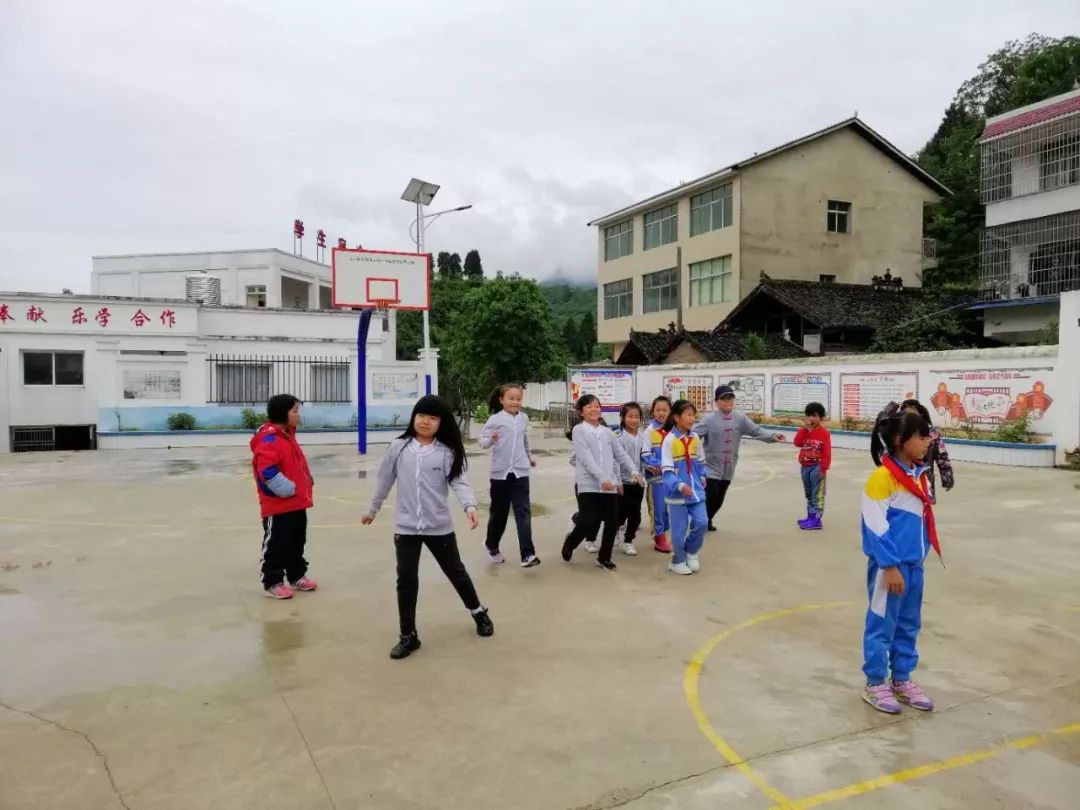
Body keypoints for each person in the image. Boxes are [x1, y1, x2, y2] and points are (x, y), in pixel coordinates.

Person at [363, 395, 494, 660]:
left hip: (439, 526)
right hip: (407, 527)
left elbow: (459, 482)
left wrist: (469, 507)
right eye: (422, 416)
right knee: (406, 581)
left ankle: (478, 612)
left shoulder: (447, 452)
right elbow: (384, 480)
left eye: (433, 418)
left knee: (456, 573)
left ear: (441, 423)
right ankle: (408, 636)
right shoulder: (398, 447)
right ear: (414, 417)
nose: (426, 422)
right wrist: (372, 509)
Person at [861, 410, 941, 714]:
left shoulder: (919, 475)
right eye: (921, 436)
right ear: (899, 440)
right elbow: (873, 525)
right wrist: (891, 565)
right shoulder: (882, 478)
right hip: (889, 568)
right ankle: (875, 681)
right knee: (882, 624)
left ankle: (902, 678)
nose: (927, 441)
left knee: (909, 624)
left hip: (913, 566)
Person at [562, 394, 642, 571]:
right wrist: (601, 478)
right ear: (581, 411)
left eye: (597, 405)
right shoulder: (579, 430)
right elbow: (585, 458)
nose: (594, 409)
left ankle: (604, 557)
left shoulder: (607, 432)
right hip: (588, 484)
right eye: (589, 406)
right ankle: (571, 542)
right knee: (588, 521)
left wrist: (634, 471)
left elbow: (620, 454)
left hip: (609, 485)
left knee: (612, 521)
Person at [251, 394, 316, 600]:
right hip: (278, 505)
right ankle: (272, 581)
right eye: (294, 411)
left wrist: (307, 479)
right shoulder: (269, 439)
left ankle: (296, 575)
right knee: (276, 543)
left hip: (297, 502)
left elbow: (294, 463)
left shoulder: (288, 435)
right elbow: (267, 471)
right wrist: (286, 488)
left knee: (297, 541)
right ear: (282, 414)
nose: (298, 415)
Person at [696, 385, 786, 531]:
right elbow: (694, 436)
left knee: (719, 500)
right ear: (716, 402)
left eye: (730, 398)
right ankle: (700, 521)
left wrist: (773, 436)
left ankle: (706, 520)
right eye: (724, 399)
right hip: (711, 465)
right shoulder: (709, 419)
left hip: (729, 466)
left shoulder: (740, 418)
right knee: (711, 495)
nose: (728, 402)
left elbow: (755, 431)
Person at [479, 384, 540, 567]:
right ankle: (491, 544)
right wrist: (492, 439)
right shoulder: (495, 420)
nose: (515, 402)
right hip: (500, 474)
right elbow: (482, 442)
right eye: (511, 398)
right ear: (501, 400)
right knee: (500, 514)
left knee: (523, 513)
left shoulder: (524, 419)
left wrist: (529, 457)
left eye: (518, 399)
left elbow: (523, 440)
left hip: (520, 472)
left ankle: (527, 555)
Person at [661, 400, 708, 575]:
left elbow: (701, 461)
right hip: (677, 493)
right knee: (678, 531)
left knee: (702, 522)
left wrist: (702, 475)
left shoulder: (695, 438)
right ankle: (677, 560)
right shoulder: (670, 440)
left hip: (696, 491)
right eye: (688, 415)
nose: (692, 418)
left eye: (693, 415)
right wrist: (679, 485)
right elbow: (666, 471)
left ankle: (691, 552)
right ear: (676, 417)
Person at [875, 400, 954, 503]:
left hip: (924, 480)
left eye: (913, 416)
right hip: (898, 479)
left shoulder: (933, 434)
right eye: (906, 416)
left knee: (922, 509)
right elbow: (879, 423)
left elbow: (942, 456)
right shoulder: (896, 435)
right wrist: (893, 405)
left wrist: (947, 477)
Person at [641, 396, 674, 553]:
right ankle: (659, 537)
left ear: (670, 411)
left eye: (665, 410)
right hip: (657, 479)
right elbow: (646, 454)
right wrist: (660, 465)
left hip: (674, 479)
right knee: (658, 509)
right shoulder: (649, 431)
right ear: (653, 411)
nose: (661, 413)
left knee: (672, 509)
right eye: (658, 410)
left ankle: (666, 534)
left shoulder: (675, 430)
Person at [613, 402, 646, 556]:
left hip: (638, 483)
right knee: (620, 514)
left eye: (637, 417)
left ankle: (629, 541)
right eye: (630, 417)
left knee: (636, 514)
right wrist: (617, 481)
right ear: (622, 418)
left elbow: (644, 457)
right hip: (622, 483)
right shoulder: (618, 438)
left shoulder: (642, 437)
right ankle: (614, 532)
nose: (634, 420)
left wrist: (647, 470)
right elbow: (616, 462)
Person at [793, 402, 831, 530]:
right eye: (809, 415)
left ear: (821, 418)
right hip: (805, 467)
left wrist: (823, 468)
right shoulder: (804, 431)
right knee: (809, 494)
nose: (811, 419)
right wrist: (804, 429)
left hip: (817, 467)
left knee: (817, 495)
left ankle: (816, 520)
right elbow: (797, 443)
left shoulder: (824, 433)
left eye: (814, 416)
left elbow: (827, 452)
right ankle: (810, 517)